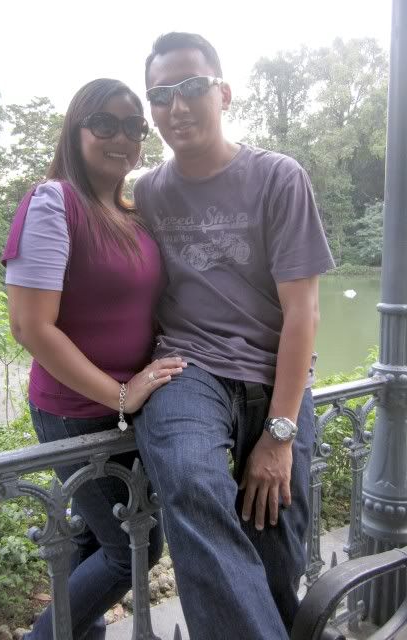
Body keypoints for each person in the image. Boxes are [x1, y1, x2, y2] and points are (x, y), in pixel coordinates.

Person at [132, 33, 336, 640]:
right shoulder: (148, 191)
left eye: (191, 86)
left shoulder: (277, 177)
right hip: (187, 372)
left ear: (223, 93)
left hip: (276, 379)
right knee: (191, 480)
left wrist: (279, 434)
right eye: (160, 94)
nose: (177, 106)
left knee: (274, 556)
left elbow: (302, 312)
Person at [2, 78, 186, 640]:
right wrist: (122, 393)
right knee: (134, 546)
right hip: (76, 411)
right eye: (104, 123)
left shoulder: (131, 213)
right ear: (75, 130)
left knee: (93, 538)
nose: (121, 137)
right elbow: (30, 326)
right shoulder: (54, 202)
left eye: (133, 126)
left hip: (124, 413)